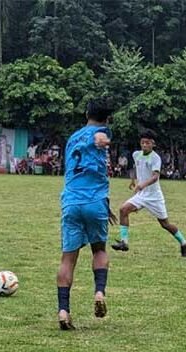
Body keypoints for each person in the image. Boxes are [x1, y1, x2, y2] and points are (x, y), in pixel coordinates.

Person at [55, 99, 117, 331]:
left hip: (71, 201)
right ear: (107, 118)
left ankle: (63, 310)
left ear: (86, 113)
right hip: (95, 201)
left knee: (67, 258)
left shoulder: (72, 138)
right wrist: (103, 139)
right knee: (99, 249)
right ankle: (99, 292)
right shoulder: (102, 131)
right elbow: (100, 137)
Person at [112, 129, 186, 257]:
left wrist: (142, 184)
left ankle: (183, 243)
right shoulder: (136, 154)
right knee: (123, 210)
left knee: (165, 224)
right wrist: (133, 180)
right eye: (142, 142)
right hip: (141, 195)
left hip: (154, 196)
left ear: (153, 144)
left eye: (147, 143)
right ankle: (124, 242)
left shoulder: (155, 158)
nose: (144, 145)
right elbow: (135, 167)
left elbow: (155, 177)